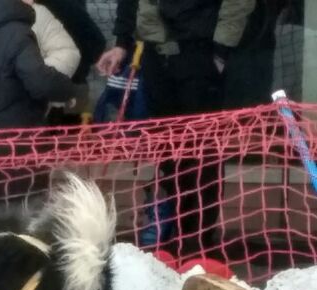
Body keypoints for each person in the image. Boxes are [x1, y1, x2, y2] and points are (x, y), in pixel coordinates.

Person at [97, 0, 258, 257]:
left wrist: (221, 49)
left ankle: (197, 242)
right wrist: (122, 43)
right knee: (169, 154)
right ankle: (175, 235)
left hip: (201, 52)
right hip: (157, 56)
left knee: (201, 155)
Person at [0, 0, 80, 205]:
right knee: (21, 219)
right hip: (15, 156)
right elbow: (41, 83)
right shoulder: (18, 35)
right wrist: (70, 91)